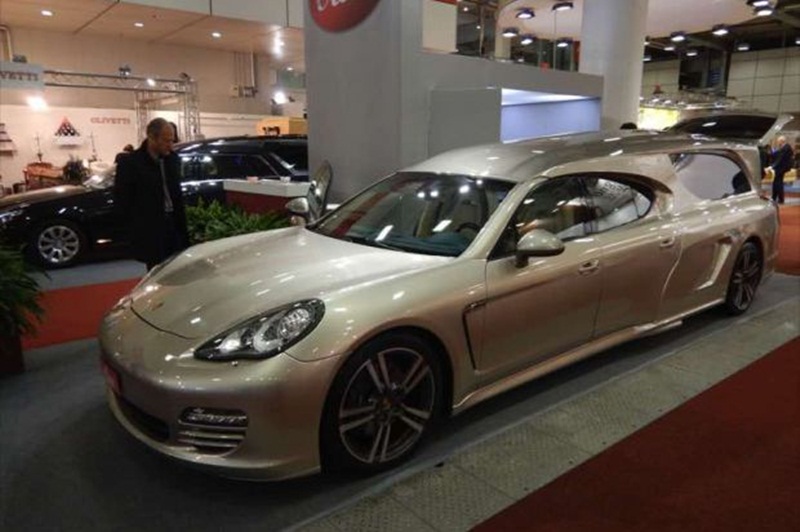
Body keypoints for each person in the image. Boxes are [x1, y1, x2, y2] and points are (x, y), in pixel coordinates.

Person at [114, 118, 189, 270]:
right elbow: (123, 200)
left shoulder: (173, 159)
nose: (170, 145)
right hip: (150, 230)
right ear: (152, 138)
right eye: (166, 141)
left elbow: (177, 195)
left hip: (173, 225)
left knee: (178, 270)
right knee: (156, 272)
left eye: (172, 140)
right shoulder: (131, 163)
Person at [769, 135, 794, 204]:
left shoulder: (786, 147)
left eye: (778, 141)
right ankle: (774, 197)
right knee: (776, 182)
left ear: (781, 141)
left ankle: (780, 199)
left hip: (782, 168)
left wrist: (772, 166)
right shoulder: (784, 147)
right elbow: (776, 154)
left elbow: (780, 158)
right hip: (780, 167)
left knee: (778, 183)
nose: (778, 143)